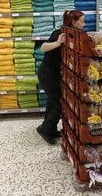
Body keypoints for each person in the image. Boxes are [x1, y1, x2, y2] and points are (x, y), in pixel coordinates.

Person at [36, 10, 85, 144]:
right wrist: (58, 43)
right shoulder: (60, 33)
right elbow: (43, 48)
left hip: (55, 74)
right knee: (59, 103)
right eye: (82, 21)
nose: (84, 24)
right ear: (73, 22)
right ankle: (46, 130)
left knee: (53, 101)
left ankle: (48, 128)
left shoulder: (74, 34)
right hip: (47, 74)